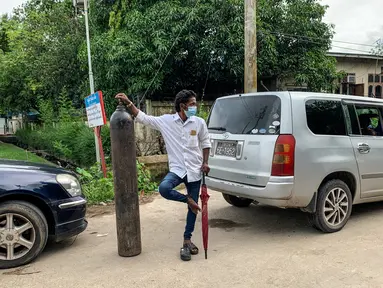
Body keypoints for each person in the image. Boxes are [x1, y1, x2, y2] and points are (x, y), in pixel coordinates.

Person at [115, 90, 211, 261]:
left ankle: (187, 240)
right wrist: (129, 102)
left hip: (195, 171)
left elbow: (205, 143)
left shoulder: (199, 123)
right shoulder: (166, 121)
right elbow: (143, 117)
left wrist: (205, 162)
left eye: (195, 104)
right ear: (182, 106)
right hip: (177, 170)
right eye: (192, 104)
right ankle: (187, 199)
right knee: (164, 188)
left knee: (193, 209)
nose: (195, 107)